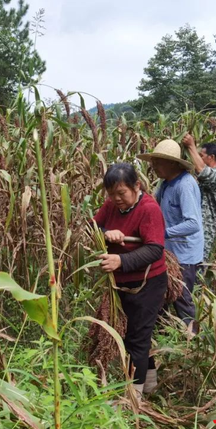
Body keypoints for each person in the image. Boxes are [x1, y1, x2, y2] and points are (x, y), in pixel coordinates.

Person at [92, 163, 168, 399]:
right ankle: (150, 387)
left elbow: (155, 249)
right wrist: (105, 232)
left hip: (148, 285)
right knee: (133, 336)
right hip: (122, 285)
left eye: (121, 193)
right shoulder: (111, 205)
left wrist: (121, 261)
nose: (116, 199)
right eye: (111, 194)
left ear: (136, 186)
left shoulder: (148, 209)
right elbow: (93, 225)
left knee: (137, 339)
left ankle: (133, 400)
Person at [138, 139, 203, 329]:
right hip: (169, 251)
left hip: (184, 255)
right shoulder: (165, 184)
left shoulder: (185, 185)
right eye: (154, 161)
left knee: (182, 298)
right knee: (161, 295)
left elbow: (193, 224)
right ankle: (163, 336)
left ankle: (194, 341)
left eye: (159, 162)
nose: (154, 166)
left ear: (173, 163)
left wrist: (161, 233)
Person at [182, 134, 216, 262]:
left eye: (201, 155)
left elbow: (201, 170)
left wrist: (191, 146)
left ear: (211, 157)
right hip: (194, 232)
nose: (198, 158)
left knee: (197, 266)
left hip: (205, 233)